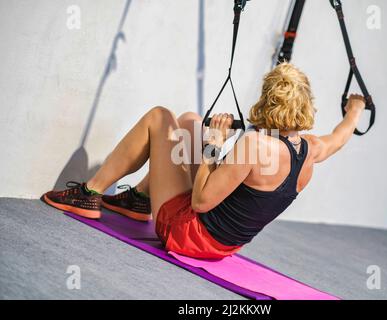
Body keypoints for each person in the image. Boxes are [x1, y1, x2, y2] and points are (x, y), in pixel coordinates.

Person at [42, 62, 366, 259]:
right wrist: (354, 110)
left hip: (192, 236)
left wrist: (214, 146)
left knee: (160, 117)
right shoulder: (310, 149)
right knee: (189, 122)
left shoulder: (255, 145)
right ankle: (141, 199)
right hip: (224, 245)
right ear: (305, 103)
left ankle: (89, 194)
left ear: (267, 99)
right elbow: (339, 137)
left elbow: (200, 201)